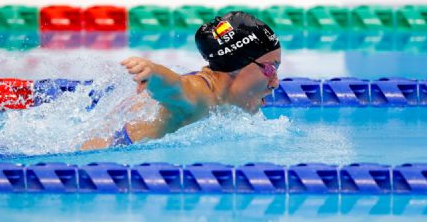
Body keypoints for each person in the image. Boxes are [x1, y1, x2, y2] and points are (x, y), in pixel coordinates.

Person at [82, 11, 281, 150]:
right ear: (236, 66)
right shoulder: (202, 96)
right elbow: (174, 87)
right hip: (99, 155)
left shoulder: (218, 95)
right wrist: (154, 72)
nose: (275, 83)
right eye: (270, 69)